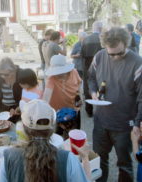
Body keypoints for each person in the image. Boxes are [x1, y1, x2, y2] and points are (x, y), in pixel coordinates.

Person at [88, 27, 142, 182]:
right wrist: (93, 93)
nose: (115, 57)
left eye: (120, 53)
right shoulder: (99, 57)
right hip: (101, 122)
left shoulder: (138, 64)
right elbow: (91, 78)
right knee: (98, 161)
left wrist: (137, 123)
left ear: (126, 43)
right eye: (111, 54)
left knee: (124, 164)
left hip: (125, 125)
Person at [0, 99, 91, 182]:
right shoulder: (69, 159)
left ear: (24, 128)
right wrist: (85, 158)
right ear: (52, 129)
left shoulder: (8, 156)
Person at [43, 55, 82, 134]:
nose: (58, 75)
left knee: (74, 133)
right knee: (58, 134)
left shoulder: (74, 72)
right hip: (58, 113)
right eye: (56, 72)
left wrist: (80, 95)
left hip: (73, 109)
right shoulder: (51, 79)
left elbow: (80, 84)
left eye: (60, 72)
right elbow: (46, 97)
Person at [0, 57, 23, 122]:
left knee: (16, 125)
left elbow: (27, 95)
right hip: (3, 107)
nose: (3, 76)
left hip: (17, 107)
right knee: (2, 125)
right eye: (1, 74)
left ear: (13, 71)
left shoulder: (21, 74)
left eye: (6, 74)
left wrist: (18, 107)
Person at [81, 21, 103, 117]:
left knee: (87, 89)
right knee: (103, 89)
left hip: (88, 68)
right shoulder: (103, 39)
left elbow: (82, 55)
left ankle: (89, 111)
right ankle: (102, 111)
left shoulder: (86, 39)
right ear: (101, 29)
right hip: (101, 68)